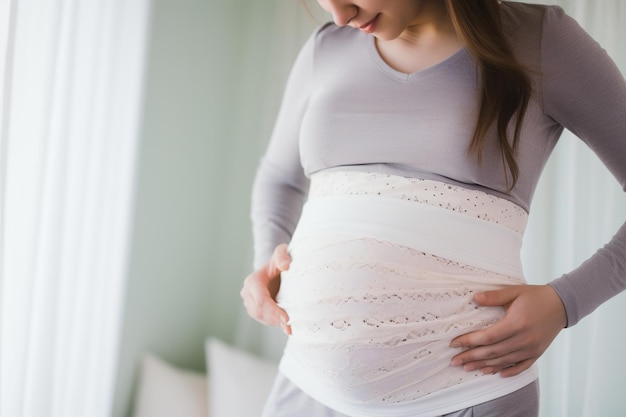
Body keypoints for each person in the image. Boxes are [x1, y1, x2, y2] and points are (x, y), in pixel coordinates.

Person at [240, 0, 626, 416]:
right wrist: (267, 261)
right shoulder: (326, 48)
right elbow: (278, 179)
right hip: (307, 386)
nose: (340, 14)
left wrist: (566, 301)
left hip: (466, 394)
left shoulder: (540, 39)